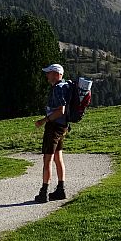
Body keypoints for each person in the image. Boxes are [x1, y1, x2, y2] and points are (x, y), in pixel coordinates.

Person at [33, 63, 70, 203]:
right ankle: (61, 189)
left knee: (47, 159)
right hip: (62, 127)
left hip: (54, 127)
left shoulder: (57, 89)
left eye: (49, 73)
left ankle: (44, 193)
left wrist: (43, 121)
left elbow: (61, 110)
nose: (47, 76)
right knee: (58, 157)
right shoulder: (65, 86)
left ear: (56, 74)